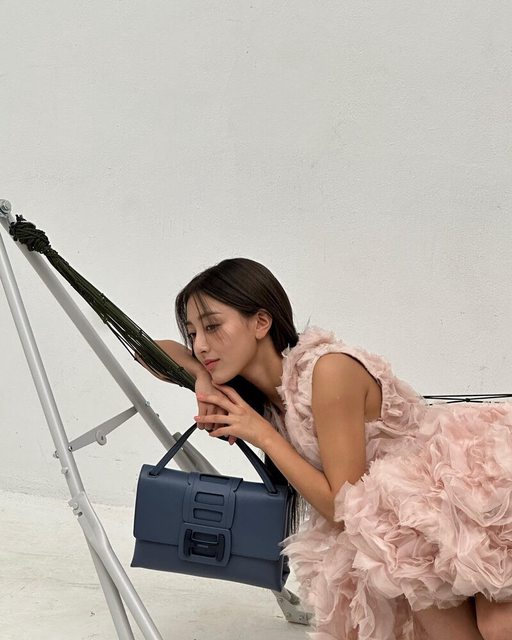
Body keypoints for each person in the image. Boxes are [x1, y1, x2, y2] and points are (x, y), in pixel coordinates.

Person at [140, 257, 512, 640]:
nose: (200, 345)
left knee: (498, 626)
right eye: (192, 333)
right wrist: (201, 377)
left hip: (473, 491)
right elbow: (149, 350)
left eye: (213, 326)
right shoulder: (264, 399)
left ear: (261, 323)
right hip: (403, 533)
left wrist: (264, 435)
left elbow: (341, 507)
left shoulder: (326, 371)